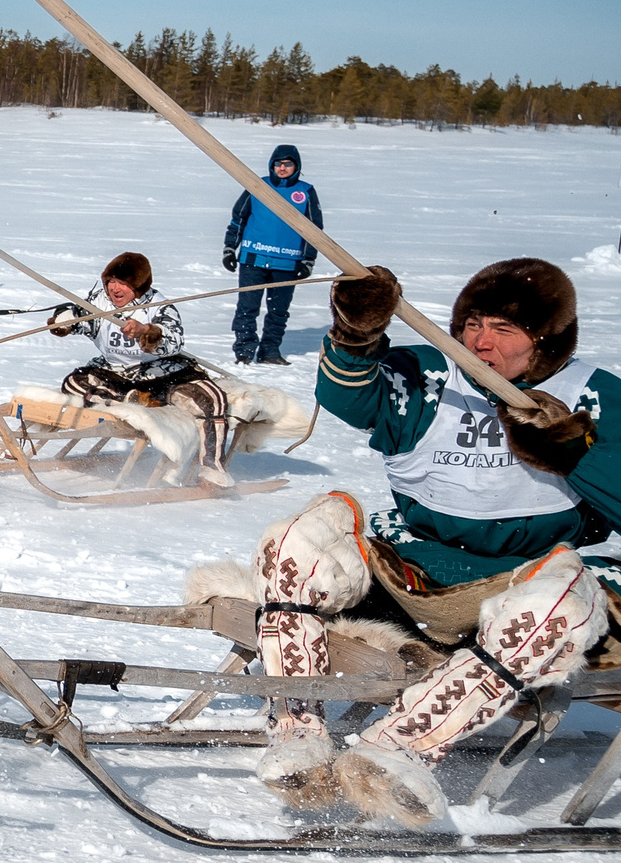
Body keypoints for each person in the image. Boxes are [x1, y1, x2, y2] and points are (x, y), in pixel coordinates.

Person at [243, 256, 619, 825]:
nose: (481, 342)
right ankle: (299, 731)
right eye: (472, 325)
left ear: (544, 342)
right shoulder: (428, 376)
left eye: (504, 329)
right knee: (297, 539)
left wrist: (577, 452)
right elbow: (352, 397)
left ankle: (398, 748)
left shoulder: (594, 397)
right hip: (414, 567)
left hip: (535, 574)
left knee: (556, 603)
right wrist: (356, 334)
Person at [48, 250, 237, 486]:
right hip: (114, 372)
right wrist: (65, 320)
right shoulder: (100, 301)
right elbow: (81, 317)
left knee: (212, 398)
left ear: (139, 286)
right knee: (72, 383)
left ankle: (211, 468)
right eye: (111, 282)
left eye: (123, 284)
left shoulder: (159, 306)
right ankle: (126, 398)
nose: (114, 289)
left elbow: (174, 341)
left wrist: (146, 333)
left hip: (159, 372)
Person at [222, 144, 320, 365]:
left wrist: (308, 260)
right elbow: (238, 218)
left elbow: (315, 230)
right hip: (253, 258)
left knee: (278, 311)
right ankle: (245, 351)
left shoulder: (305, 192)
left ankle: (270, 351)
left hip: (287, 262)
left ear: (296, 166)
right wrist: (230, 248)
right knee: (247, 307)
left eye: (287, 164)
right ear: (271, 165)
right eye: (278, 163)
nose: (282, 168)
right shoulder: (257, 186)